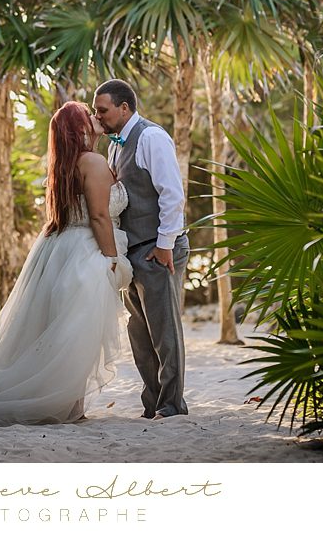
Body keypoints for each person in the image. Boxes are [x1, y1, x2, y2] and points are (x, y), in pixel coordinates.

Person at [0, 101, 132, 425]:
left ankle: (71, 406)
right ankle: (70, 407)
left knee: (63, 330)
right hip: (85, 250)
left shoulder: (65, 165)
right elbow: (99, 216)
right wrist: (112, 260)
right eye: (89, 115)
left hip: (58, 249)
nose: (95, 117)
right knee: (77, 332)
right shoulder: (94, 162)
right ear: (80, 127)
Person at [92, 78, 189, 419]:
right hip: (131, 254)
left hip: (158, 249)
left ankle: (172, 405)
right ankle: (153, 404)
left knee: (164, 332)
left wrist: (165, 246)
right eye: (95, 111)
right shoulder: (114, 145)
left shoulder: (151, 137)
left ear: (124, 107)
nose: (98, 116)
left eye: (102, 110)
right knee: (140, 334)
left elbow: (172, 195)